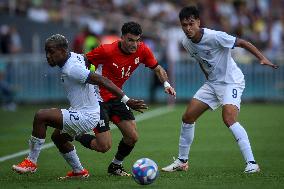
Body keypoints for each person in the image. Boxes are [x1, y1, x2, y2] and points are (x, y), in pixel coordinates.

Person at [12, 34, 147, 179]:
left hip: (86, 115)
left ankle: (31, 162)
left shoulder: (72, 68)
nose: (48, 56)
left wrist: (126, 100)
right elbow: (87, 61)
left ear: (63, 51)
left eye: (51, 52)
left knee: (41, 116)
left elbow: (101, 80)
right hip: (84, 111)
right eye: (46, 52)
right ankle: (79, 172)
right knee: (58, 137)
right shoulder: (76, 57)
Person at [161, 6, 279, 174]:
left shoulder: (215, 36)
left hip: (231, 82)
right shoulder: (186, 43)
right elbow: (202, 62)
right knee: (188, 117)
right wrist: (209, 80)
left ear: (198, 22)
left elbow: (243, 43)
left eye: (191, 24)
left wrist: (262, 58)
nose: (188, 28)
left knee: (228, 118)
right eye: (184, 25)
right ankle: (182, 161)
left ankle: (252, 163)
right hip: (213, 83)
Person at [75, 21, 176, 176]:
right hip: (97, 99)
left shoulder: (142, 50)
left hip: (117, 96)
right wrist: (87, 81)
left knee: (132, 137)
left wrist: (166, 84)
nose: (134, 44)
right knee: (104, 146)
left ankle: (116, 166)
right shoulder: (107, 50)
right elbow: (83, 61)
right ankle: (76, 134)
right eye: (130, 40)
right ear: (122, 37)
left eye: (137, 40)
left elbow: (158, 68)